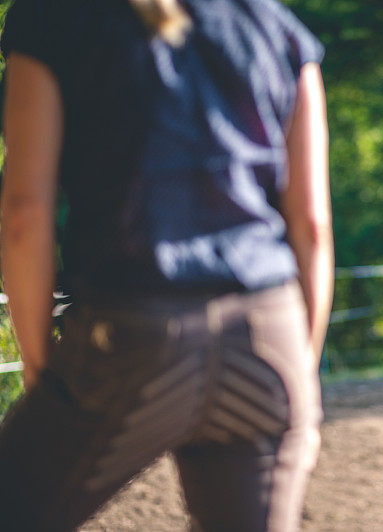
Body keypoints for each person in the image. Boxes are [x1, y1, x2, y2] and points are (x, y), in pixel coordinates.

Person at [0, 0, 333, 529]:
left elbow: (24, 212)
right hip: (268, 337)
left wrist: (43, 369)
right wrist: (299, 380)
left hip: (132, 334)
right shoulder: (276, 26)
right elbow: (311, 226)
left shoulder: (53, 17)